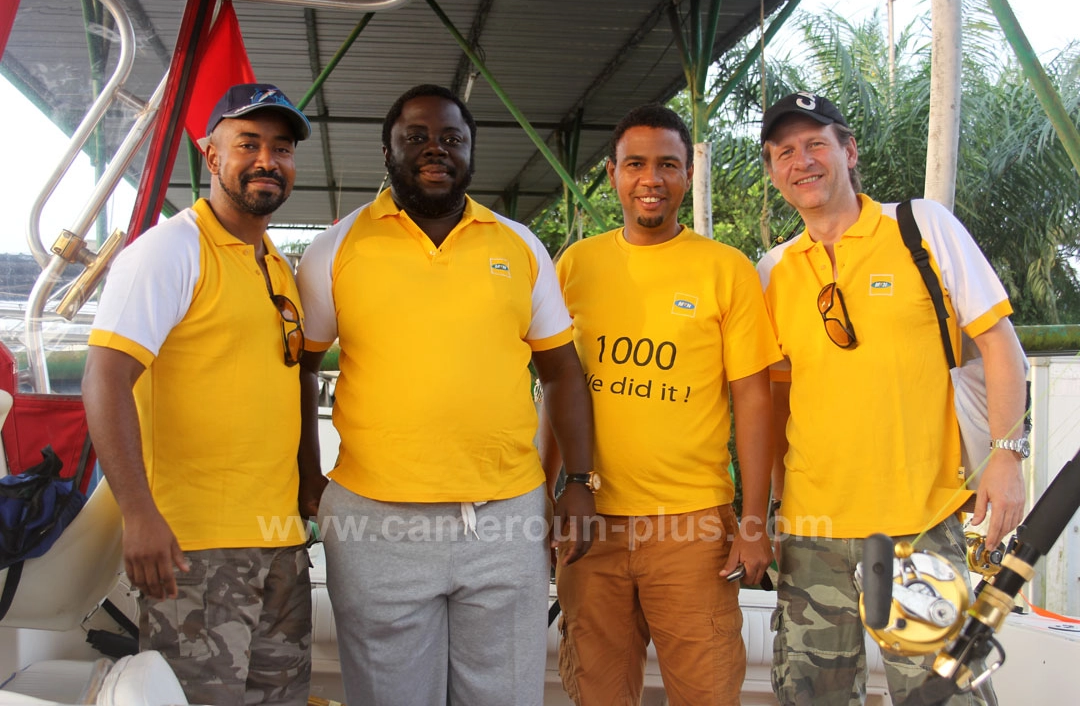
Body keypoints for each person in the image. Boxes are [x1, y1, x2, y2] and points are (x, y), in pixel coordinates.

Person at [294, 83, 594, 706]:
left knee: (505, 695)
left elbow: (563, 372)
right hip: (376, 519)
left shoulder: (518, 245)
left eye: (452, 138)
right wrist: (306, 473)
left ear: (471, 153)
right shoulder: (336, 249)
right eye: (417, 137)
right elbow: (298, 368)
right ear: (388, 151)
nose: (436, 150)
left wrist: (579, 483)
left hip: (505, 516)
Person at [757, 91, 1028, 706]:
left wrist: (1008, 459)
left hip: (919, 525)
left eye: (816, 144)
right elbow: (775, 403)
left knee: (945, 696)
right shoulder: (771, 271)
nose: (803, 161)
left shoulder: (921, 227)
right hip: (811, 532)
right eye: (785, 152)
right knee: (811, 697)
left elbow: (1000, 344)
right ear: (774, 173)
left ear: (849, 151)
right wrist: (769, 510)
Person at [82, 83, 314, 706]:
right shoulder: (171, 250)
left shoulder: (276, 266)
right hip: (195, 546)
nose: (267, 160)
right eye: (249, 144)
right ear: (211, 155)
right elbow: (105, 377)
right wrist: (139, 514)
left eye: (282, 148)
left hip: (279, 536)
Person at [543, 103, 781, 706]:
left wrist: (755, 521)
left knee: (706, 691)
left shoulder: (725, 269)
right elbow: (555, 388)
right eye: (636, 164)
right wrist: (545, 502)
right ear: (614, 173)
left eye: (668, 165)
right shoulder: (574, 265)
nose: (652, 178)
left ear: (686, 174)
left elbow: (754, 400)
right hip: (591, 519)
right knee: (597, 691)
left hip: (692, 526)